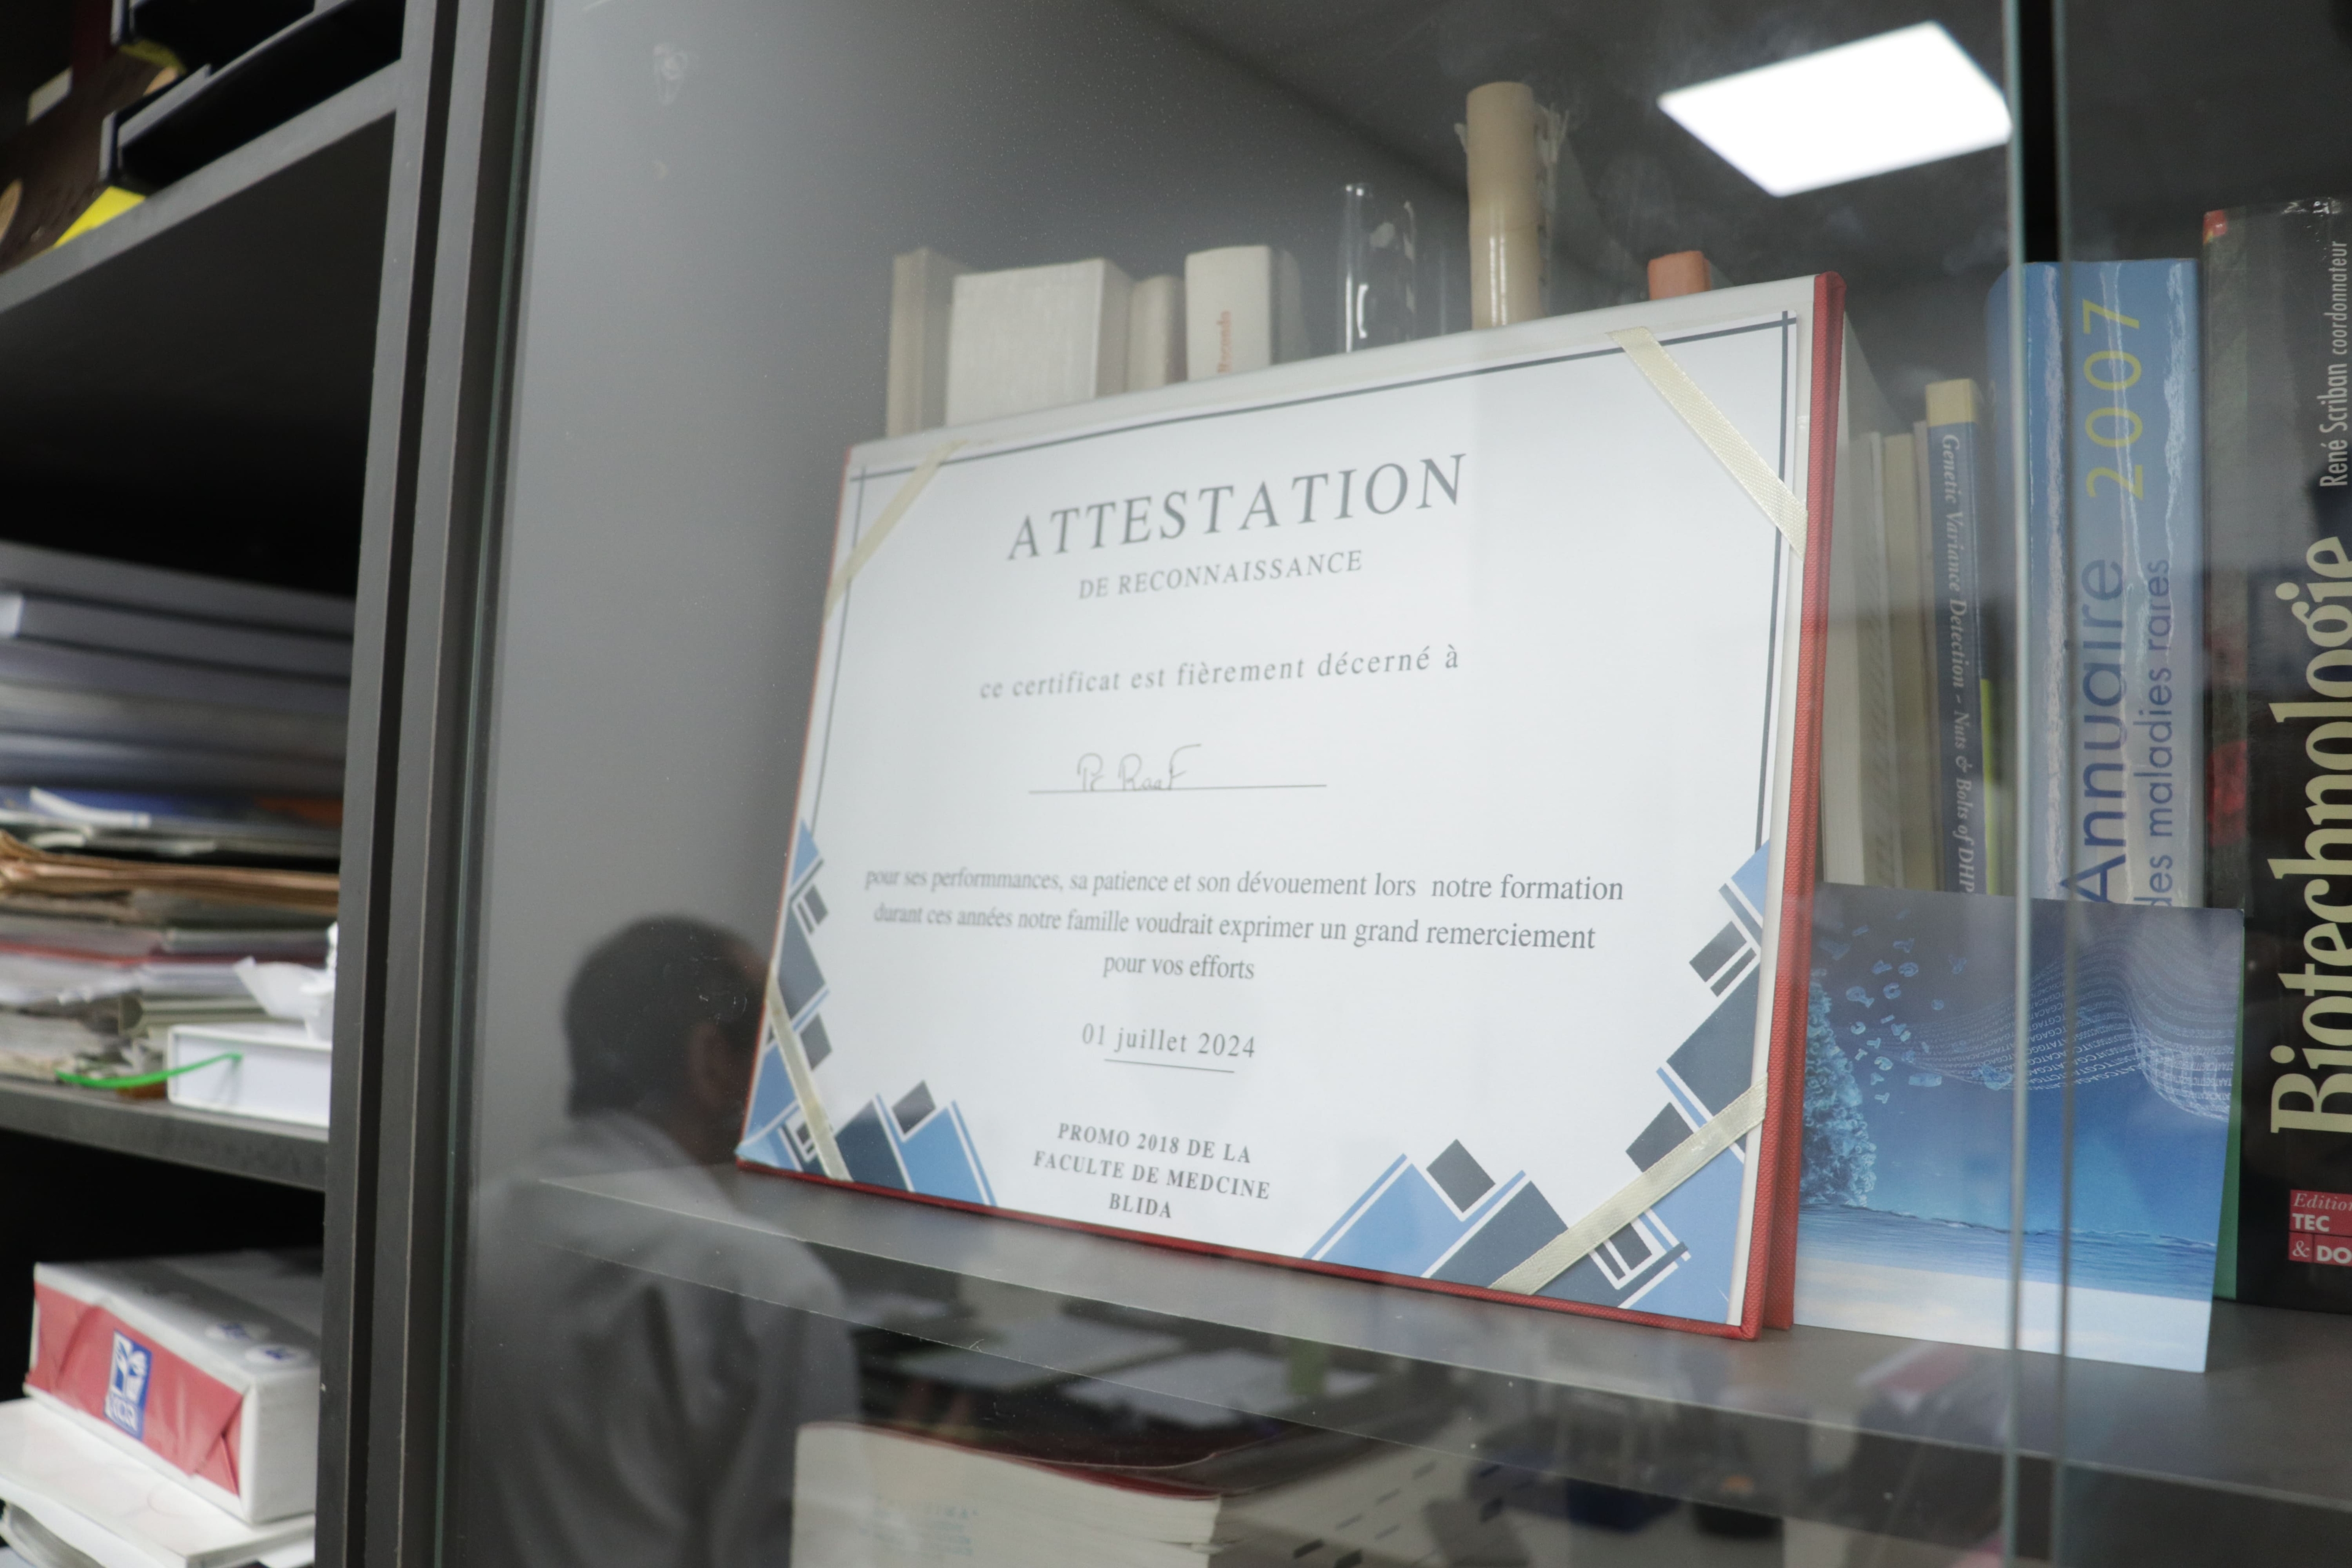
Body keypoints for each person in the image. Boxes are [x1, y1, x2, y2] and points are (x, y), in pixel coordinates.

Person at [462, 916, 855, 1567]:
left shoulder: (473, 1225)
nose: (805, 1082)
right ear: (711, 1062)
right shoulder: (767, 1283)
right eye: (782, 1046)